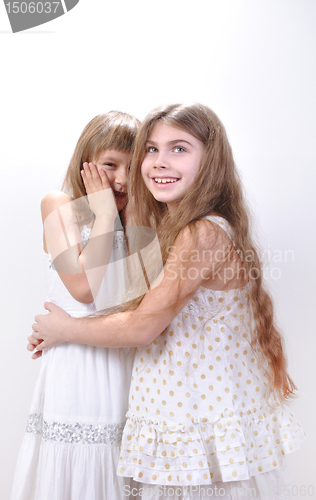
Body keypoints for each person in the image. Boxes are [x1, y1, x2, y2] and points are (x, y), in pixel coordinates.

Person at [29, 103, 306, 499]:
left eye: (179, 149)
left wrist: (64, 329)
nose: (158, 162)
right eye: (153, 150)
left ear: (210, 162)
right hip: (168, 409)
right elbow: (111, 296)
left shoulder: (201, 234)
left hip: (193, 415)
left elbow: (142, 323)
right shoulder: (169, 225)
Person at [12, 111, 140, 500]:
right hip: (77, 365)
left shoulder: (132, 218)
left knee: (120, 460)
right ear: (85, 164)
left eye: (132, 169)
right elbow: (84, 287)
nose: (120, 178)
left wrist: (120, 215)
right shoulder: (58, 206)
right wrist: (102, 211)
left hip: (120, 357)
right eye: (109, 165)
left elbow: (140, 294)